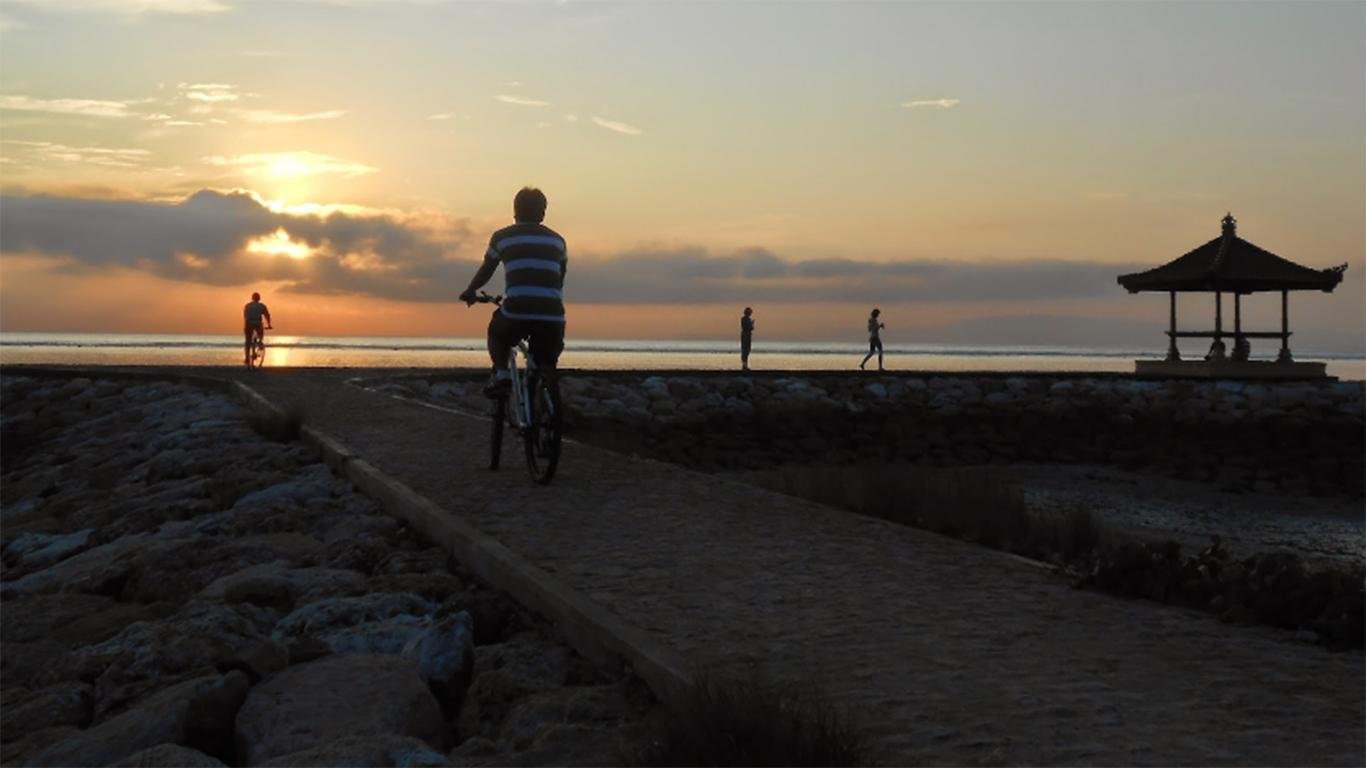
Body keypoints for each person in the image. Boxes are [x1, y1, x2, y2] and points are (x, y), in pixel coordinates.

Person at [459, 187, 568, 397]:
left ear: (515, 211)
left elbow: (487, 270)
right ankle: (547, 405)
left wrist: (470, 291)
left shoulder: (502, 237)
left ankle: (502, 375)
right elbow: (560, 278)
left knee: (496, 333)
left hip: (518, 309)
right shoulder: (558, 241)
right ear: (543, 212)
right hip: (553, 314)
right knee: (545, 360)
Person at [243, 292, 272, 366]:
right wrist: (269, 325)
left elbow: (245, 316)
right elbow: (267, 315)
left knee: (248, 341)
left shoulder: (247, 305)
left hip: (248, 323)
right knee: (260, 335)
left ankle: (246, 358)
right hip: (257, 323)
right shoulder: (261, 306)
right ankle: (259, 343)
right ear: (259, 298)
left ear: (252, 298)